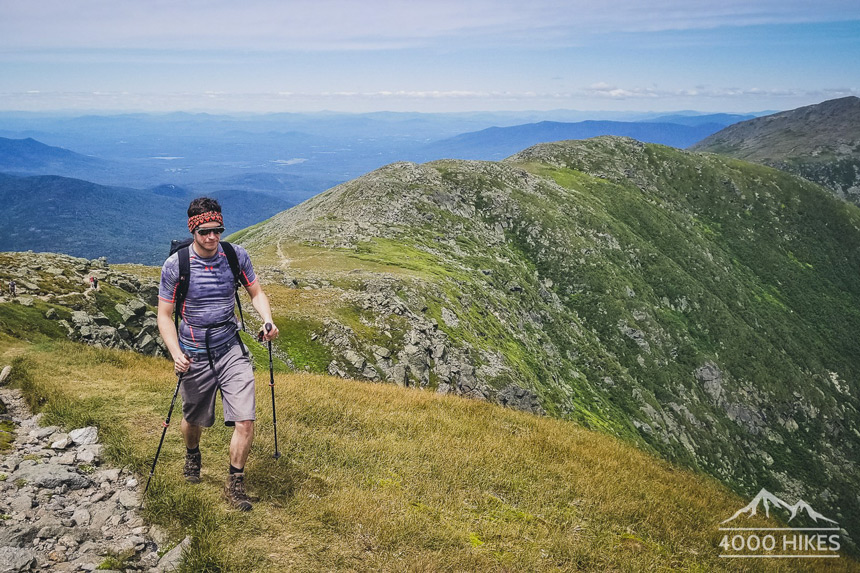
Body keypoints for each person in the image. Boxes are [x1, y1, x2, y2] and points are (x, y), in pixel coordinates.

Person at [157, 197, 279, 511]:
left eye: (218, 230)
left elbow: (256, 292)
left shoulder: (235, 256)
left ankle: (235, 485)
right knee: (192, 419)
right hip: (193, 353)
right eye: (205, 232)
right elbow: (165, 315)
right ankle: (192, 454)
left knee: (246, 420)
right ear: (193, 230)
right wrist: (175, 353)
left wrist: (267, 320)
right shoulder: (176, 265)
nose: (212, 237)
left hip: (230, 347)